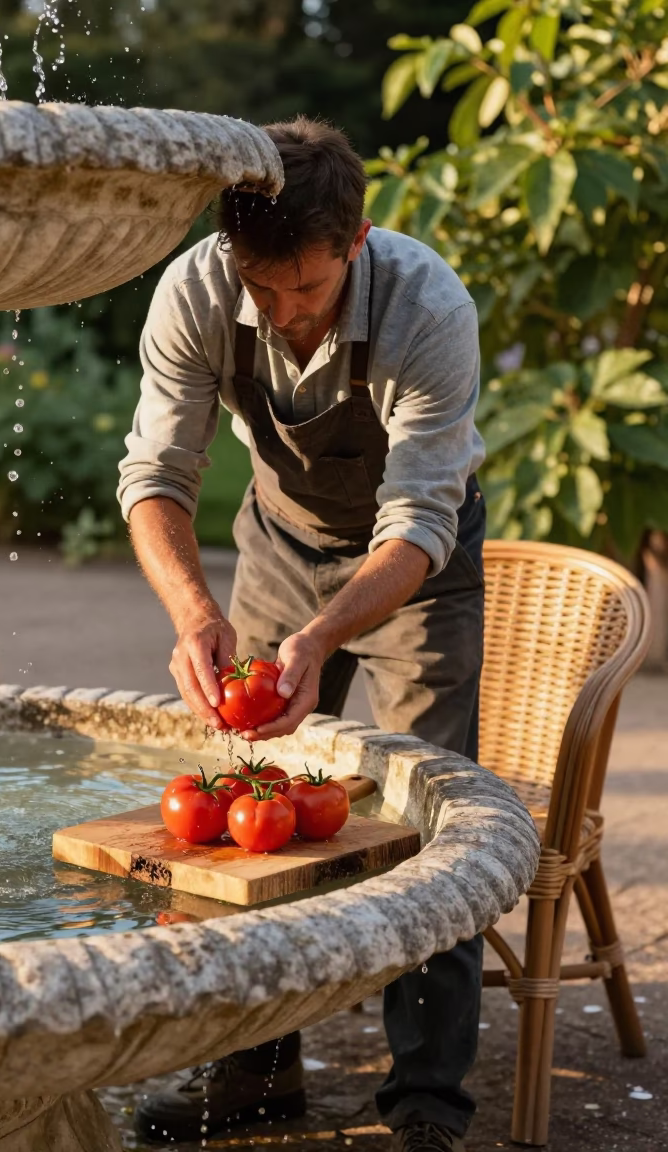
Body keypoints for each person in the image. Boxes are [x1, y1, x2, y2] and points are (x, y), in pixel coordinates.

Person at [117, 116, 486, 1152]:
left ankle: (426, 1097)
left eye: (309, 292)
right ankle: (254, 1074)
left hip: (424, 564)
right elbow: (155, 477)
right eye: (262, 291)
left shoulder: (429, 304)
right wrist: (196, 613)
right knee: (245, 809)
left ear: (356, 244)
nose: (284, 316)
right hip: (279, 540)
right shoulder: (195, 291)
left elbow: (419, 521)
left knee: (433, 815)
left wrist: (320, 637)